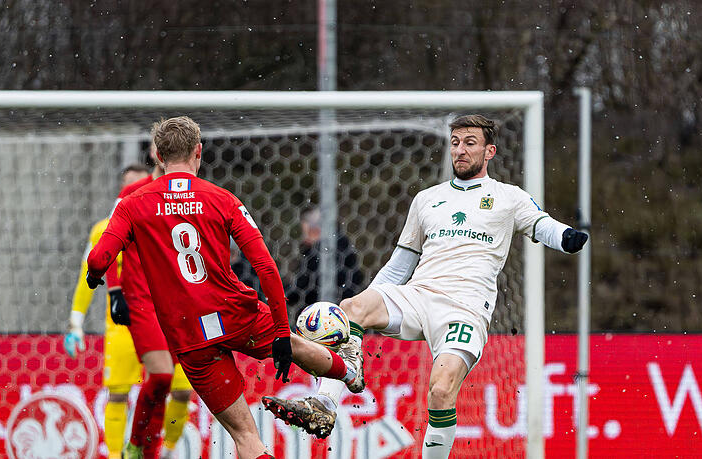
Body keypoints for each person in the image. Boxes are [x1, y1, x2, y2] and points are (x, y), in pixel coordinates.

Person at [261, 114, 589, 458]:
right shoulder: (427, 199)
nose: (460, 150)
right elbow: (400, 265)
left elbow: (543, 225)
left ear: (489, 151)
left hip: (465, 309)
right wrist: (369, 300)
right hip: (419, 296)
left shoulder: (508, 197)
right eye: (456, 142)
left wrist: (567, 237)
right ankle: (326, 403)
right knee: (352, 308)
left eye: (470, 143)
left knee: (440, 391)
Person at [85, 116, 363, 459]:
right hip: (234, 313)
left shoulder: (133, 204)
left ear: (157, 155)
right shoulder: (221, 199)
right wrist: (278, 329)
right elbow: (265, 266)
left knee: (246, 436)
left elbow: (99, 258)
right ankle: (350, 373)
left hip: (189, 334)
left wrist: (95, 278)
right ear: (198, 152)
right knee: (294, 344)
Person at [63, 164, 193, 459]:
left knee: (181, 389)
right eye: (128, 188)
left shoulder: (167, 222)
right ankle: (115, 455)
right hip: (122, 321)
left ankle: (167, 452)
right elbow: (89, 273)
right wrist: (76, 322)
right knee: (119, 392)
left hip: (165, 316)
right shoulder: (103, 230)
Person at [284, 206, 364, 325]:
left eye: (306, 232)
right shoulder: (342, 246)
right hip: (343, 316)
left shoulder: (321, 252)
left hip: (326, 319)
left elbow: (301, 287)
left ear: (316, 230)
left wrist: (283, 293)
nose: (305, 238)